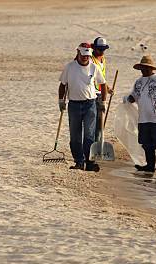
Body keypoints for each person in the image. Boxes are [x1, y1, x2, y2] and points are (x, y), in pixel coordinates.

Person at [59, 42, 107, 172]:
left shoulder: (93, 67)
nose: (85, 57)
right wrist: (60, 101)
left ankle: (90, 163)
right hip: (74, 105)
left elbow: (103, 85)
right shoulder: (69, 67)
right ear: (78, 53)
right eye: (83, 55)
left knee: (89, 135)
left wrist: (103, 102)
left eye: (87, 55)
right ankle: (79, 162)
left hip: (90, 104)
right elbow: (63, 84)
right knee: (75, 136)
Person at [124, 55, 156, 173]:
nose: (144, 70)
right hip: (143, 119)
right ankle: (150, 166)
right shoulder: (138, 82)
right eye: (142, 67)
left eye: (146, 67)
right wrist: (127, 99)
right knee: (146, 144)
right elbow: (134, 96)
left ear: (151, 68)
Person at [91, 37, 114, 143]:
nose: (102, 52)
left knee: (100, 122)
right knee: (92, 121)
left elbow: (102, 78)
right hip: (92, 94)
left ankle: (98, 144)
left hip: (101, 94)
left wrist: (107, 88)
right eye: (99, 49)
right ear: (94, 48)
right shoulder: (90, 59)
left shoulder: (103, 59)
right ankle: (92, 144)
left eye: (103, 49)